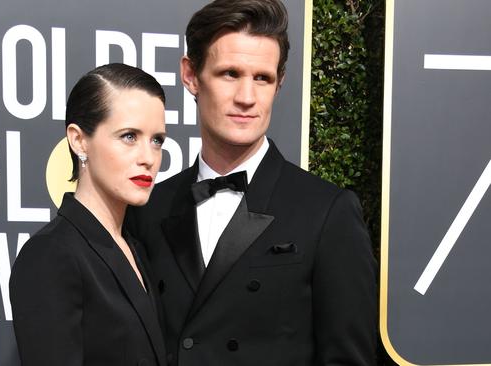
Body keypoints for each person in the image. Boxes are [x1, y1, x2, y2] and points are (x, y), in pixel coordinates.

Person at [124, 0, 377, 365]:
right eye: (230, 74)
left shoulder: (327, 212)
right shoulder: (150, 207)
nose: (247, 98)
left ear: (279, 84)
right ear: (191, 75)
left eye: (263, 78)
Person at [9, 63, 168, 366]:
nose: (148, 158)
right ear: (79, 140)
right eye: (129, 136)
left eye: (157, 140)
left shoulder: (135, 247)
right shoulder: (51, 254)